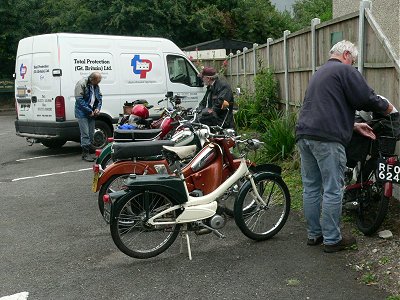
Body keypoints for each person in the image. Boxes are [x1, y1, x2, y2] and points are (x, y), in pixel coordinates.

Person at [295, 40, 393, 253]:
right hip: (327, 139)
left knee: (311, 187)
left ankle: (315, 235)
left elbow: (325, 108)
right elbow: (365, 98)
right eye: (354, 61)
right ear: (347, 54)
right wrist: (388, 108)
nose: (353, 64)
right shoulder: (344, 70)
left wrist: (354, 125)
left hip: (305, 134)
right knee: (332, 188)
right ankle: (332, 239)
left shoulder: (320, 73)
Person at [74, 72, 103, 162]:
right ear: (92, 79)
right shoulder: (82, 83)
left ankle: (88, 152)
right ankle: (85, 154)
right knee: (85, 133)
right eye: (97, 81)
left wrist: (97, 108)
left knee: (91, 133)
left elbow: (99, 98)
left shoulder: (96, 86)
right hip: (82, 113)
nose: (98, 83)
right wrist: (89, 111)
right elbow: (79, 99)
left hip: (92, 112)